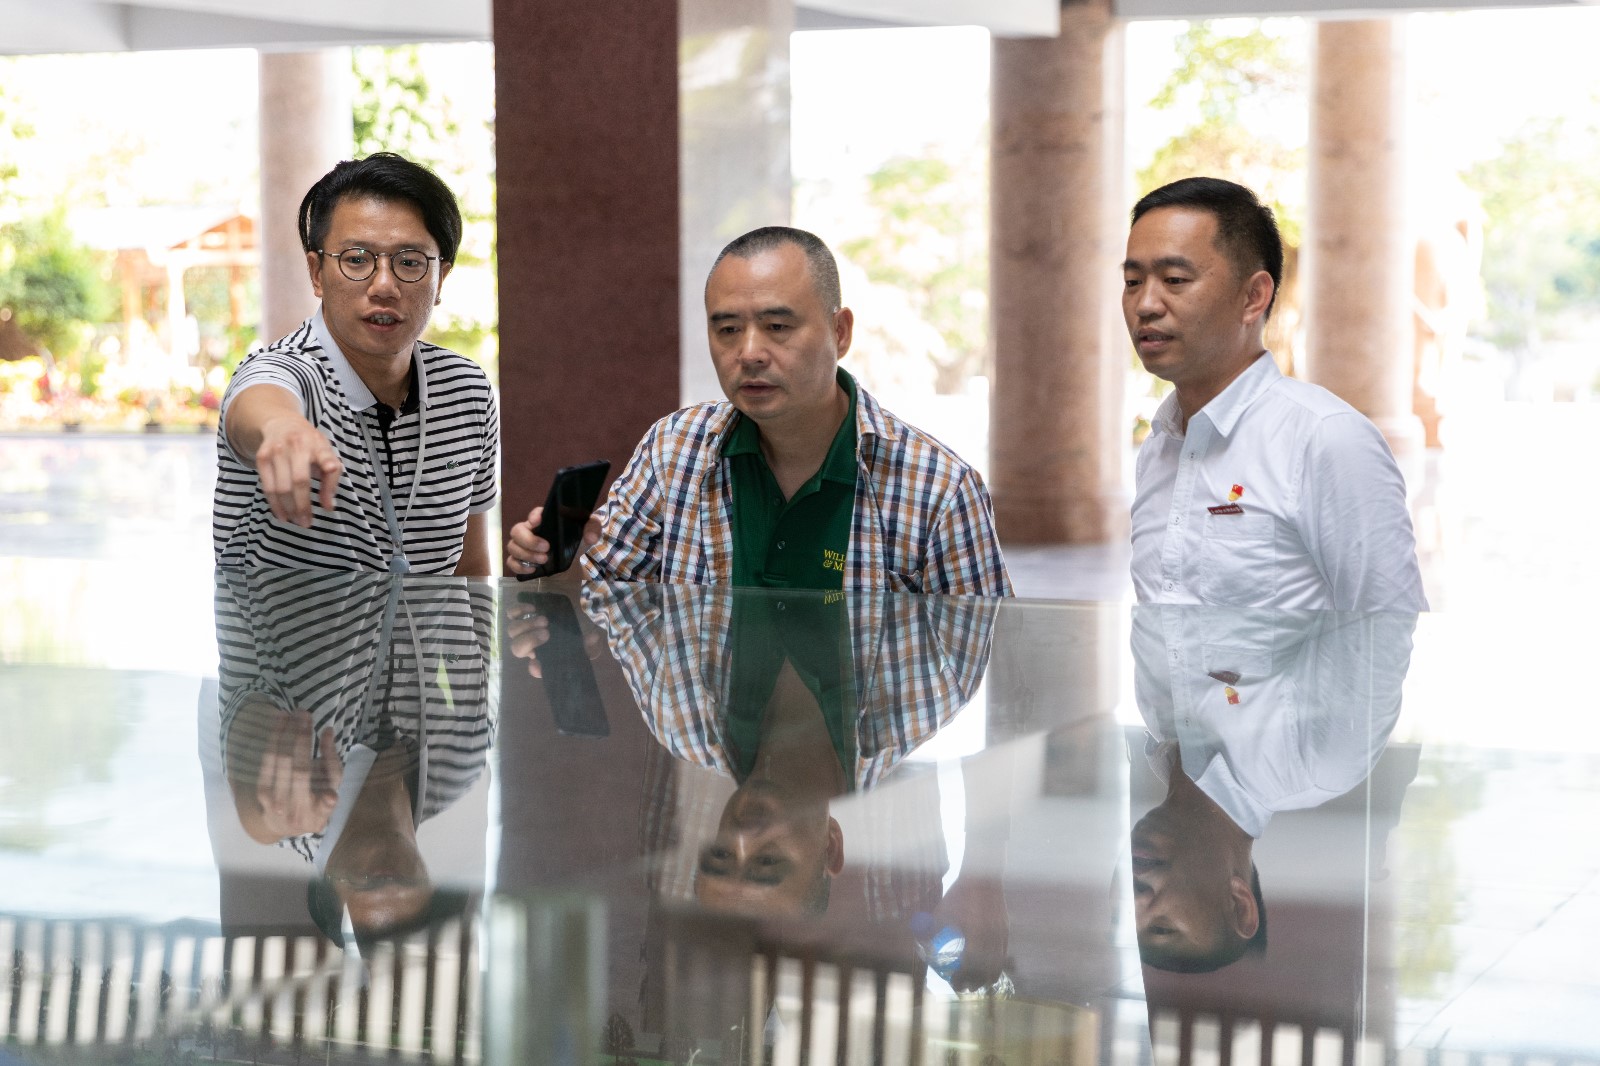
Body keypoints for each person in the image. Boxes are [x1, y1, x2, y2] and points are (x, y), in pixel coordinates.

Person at [506, 226, 1011, 595]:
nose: (749, 353)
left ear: (840, 333)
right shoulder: (674, 451)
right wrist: (556, 564)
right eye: (727, 330)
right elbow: (601, 609)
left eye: (778, 327)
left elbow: (991, 666)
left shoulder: (940, 489)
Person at [1122, 177, 1426, 611]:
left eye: (1174, 279)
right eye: (1133, 281)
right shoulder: (1160, 447)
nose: (1146, 304)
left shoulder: (1327, 440)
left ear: (1253, 296)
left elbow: (1391, 630)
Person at [213, 152, 498, 575]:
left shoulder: (466, 389)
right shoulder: (289, 371)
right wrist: (283, 428)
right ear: (316, 272)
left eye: (409, 262)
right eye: (357, 259)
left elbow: (471, 570)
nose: (383, 285)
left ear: (441, 278)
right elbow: (259, 400)